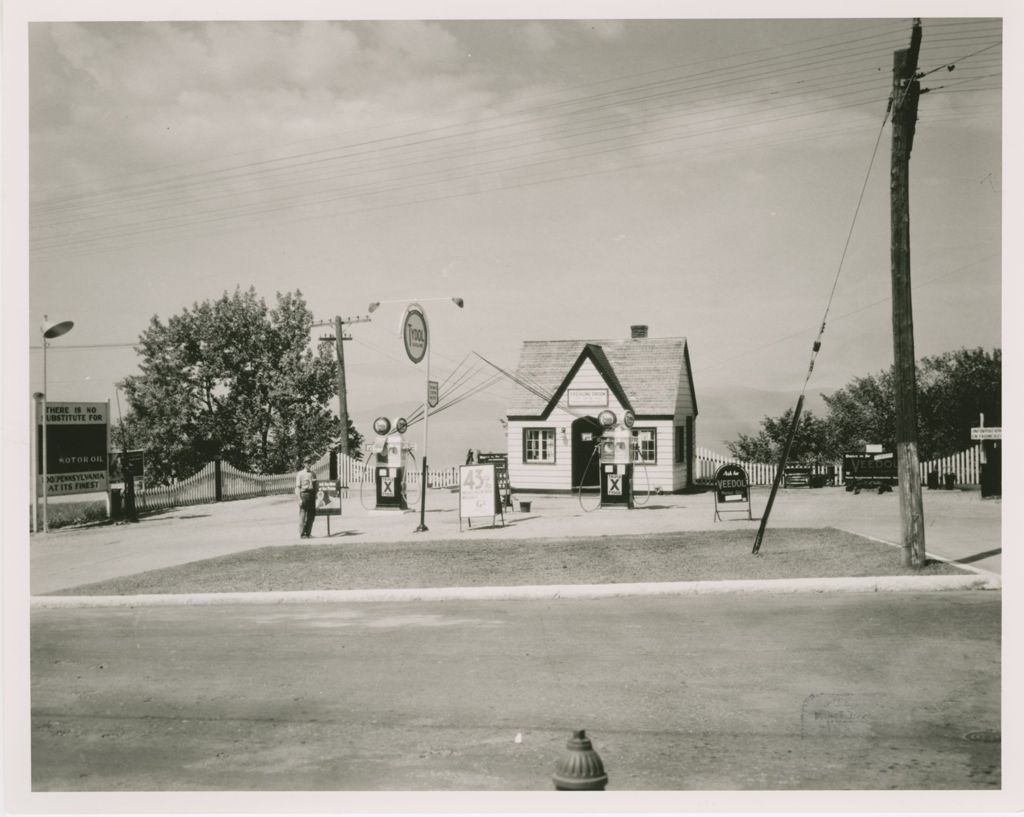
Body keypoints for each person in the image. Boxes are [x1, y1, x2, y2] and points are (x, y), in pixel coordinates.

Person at [295, 457, 318, 538]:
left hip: (312, 495)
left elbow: (316, 486)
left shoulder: (313, 473)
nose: (308, 464)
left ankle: (308, 533)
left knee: (312, 515)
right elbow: (297, 487)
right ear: (304, 464)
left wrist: (316, 496)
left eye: (310, 462)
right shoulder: (300, 474)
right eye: (307, 462)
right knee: (303, 514)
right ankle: (302, 534)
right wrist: (299, 499)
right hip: (304, 494)